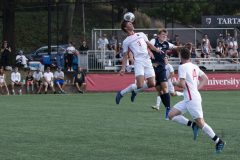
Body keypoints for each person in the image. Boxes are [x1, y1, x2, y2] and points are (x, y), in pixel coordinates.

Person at [169, 48, 225, 153]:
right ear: (189, 56)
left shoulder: (182, 67)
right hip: (188, 98)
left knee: (201, 122)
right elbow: (205, 78)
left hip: (191, 99)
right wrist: (196, 89)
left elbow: (181, 84)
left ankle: (218, 141)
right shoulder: (194, 66)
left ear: (181, 56)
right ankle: (192, 125)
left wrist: (174, 83)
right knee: (171, 115)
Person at [115, 20, 161, 105]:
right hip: (139, 61)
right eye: (129, 24)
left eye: (131, 23)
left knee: (152, 83)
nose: (131, 24)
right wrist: (122, 68)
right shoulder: (126, 41)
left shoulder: (142, 34)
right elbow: (125, 56)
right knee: (139, 84)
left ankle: (135, 91)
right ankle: (121, 93)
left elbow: (149, 45)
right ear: (126, 28)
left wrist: (157, 50)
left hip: (147, 60)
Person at [150, 29, 180, 119]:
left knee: (165, 88)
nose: (164, 36)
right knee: (160, 90)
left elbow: (175, 47)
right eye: (163, 34)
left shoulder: (166, 43)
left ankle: (168, 109)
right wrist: (155, 50)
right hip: (152, 69)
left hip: (162, 69)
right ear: (158, 35)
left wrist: (183, 47)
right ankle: (166, 107)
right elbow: (149, 45)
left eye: (166, 35)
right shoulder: (154, 40)